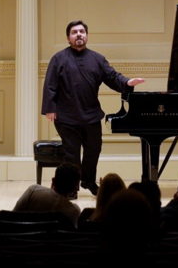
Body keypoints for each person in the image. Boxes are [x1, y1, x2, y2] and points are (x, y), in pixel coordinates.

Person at [41, 19, 145, 196]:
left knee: (94, 150)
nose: (79, 34)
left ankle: (88, 181)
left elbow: (112, 76)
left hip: (91, 115)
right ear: (68, 38)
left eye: (82, 31)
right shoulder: (58, 58)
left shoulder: (97, 59)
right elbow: (50, 85)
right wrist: (50, 107)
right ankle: (71, 188)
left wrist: (127, 82)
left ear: (87, 36)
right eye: (74, 32)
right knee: (71, 154)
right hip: (66, 116)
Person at [12, 162, 82, 227]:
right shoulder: (74, 211)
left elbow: (12, 217)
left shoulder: (33, 191)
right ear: (74, 189)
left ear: (53, 180)